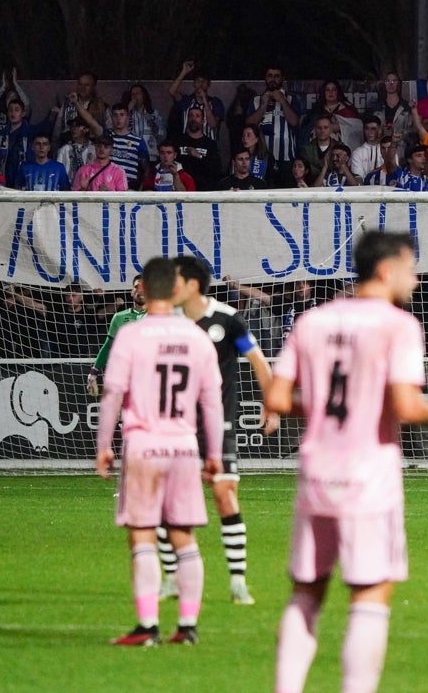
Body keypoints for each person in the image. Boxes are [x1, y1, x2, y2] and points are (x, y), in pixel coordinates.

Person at [264, 231, 428, 693]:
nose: (415, 280)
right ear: (386, 270)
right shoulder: (398, 326)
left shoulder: (312, 320)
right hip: (368, 477)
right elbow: (407, 407)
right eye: (410, 269)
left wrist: (318, 404)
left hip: (316, 472)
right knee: (371, 594)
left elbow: (276, 397)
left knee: (306, 591)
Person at [94, 257, 224, 647]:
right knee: (183, 536)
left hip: (144, 444)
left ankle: (148, 625)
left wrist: (103, 445)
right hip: (184, 446)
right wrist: (214, 451)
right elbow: (212, 400)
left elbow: (113, 392)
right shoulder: (196, 336)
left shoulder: (132, 334)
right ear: (176, 289)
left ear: (145, 290)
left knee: (143, 535)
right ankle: (187, 626)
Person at [152, 256, 274, 606]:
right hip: (174, 425)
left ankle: (237, 582)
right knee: (166, 502)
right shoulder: (163, 321)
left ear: (191, 285)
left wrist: (271, 404)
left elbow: (258, 360)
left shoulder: (226, 318)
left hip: (218, 423)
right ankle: (172, 578)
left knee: (224, 495)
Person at [87, 276, 147, 398]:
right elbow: (108, 345)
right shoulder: (119, 317)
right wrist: (93, 372)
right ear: (131, 292)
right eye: (137, 287)